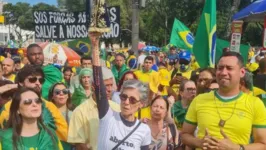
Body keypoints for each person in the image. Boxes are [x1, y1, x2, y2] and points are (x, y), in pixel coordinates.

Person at [182, 51, 266, 150]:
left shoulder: (255, 103)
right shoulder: (199, 100)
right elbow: (185, 134)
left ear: (242, 72)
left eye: (229, 68)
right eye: (220, 68)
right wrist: (199, 142)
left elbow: (263, 144)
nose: (223, 72)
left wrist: (237, 148)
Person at [90, 32, 151, 149]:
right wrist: (95, 46)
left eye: (132, 100)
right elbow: (99, 87)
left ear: (141, 104)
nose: (126, 102)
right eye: (124, 97)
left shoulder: (144, 130)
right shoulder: (108, 116)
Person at [0, 65, 68, 143]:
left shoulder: (49, 106)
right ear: (21, 83)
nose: (37, 83)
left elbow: (65, 135)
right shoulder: (8, 108)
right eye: (32, 80)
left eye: (41, 80)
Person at [67, 67, 121, 150]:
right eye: (105, 86)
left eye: (111, 85)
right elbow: (79, 144)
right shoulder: (80, 111)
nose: (109, 90)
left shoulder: (117, 108)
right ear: (93, 87)